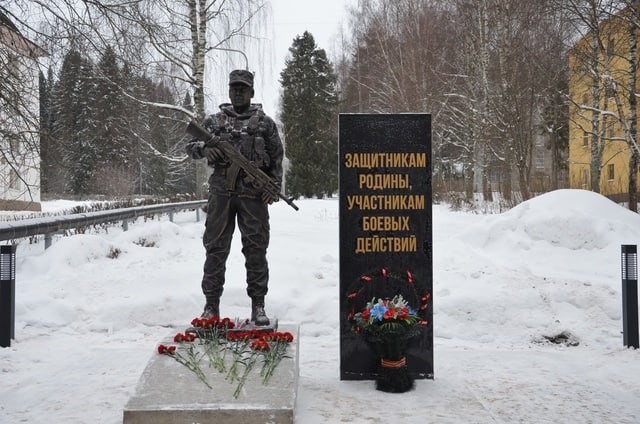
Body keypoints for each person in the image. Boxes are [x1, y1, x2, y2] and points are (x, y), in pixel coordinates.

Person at [185, 69, 283, 326]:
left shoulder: (265, 123)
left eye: (243, 88)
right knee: (215, 249)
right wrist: (207, 149)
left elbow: (276, 158)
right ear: (229, 91)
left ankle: (258, 306)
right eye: (234, 88)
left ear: (252, 91)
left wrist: (273, 186)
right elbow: (190, 148)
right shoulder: (214, 122)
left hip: (253, 197)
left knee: (256, 250)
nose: (238, 92)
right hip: (221, 195)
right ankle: (211, 306)